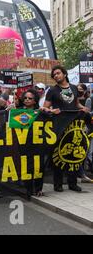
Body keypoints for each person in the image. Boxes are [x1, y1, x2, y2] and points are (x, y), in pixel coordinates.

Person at [43, 65, 90, 193]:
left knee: (74, 152)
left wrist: (82, 108)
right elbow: (44, 108)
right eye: (54, 75)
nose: (56, 76)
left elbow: (76, 104)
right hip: (59, 125)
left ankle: (72, 183)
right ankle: (58, 184)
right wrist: (52, 110)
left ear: (64, 74)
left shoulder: (74, 88)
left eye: (58, 73)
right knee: (59, 152)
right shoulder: (52, 90)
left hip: (73, 124)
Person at [18, 89, 45, 197]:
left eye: (30, 98)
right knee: (26, 167)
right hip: (24, 144)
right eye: (25, 98)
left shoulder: (40, 112)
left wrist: (50, 111)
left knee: (39, 167)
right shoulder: (18, 112)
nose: (27, 100)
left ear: (35, 101)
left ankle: (38, 189)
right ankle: (28, 189)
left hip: (38, 144)